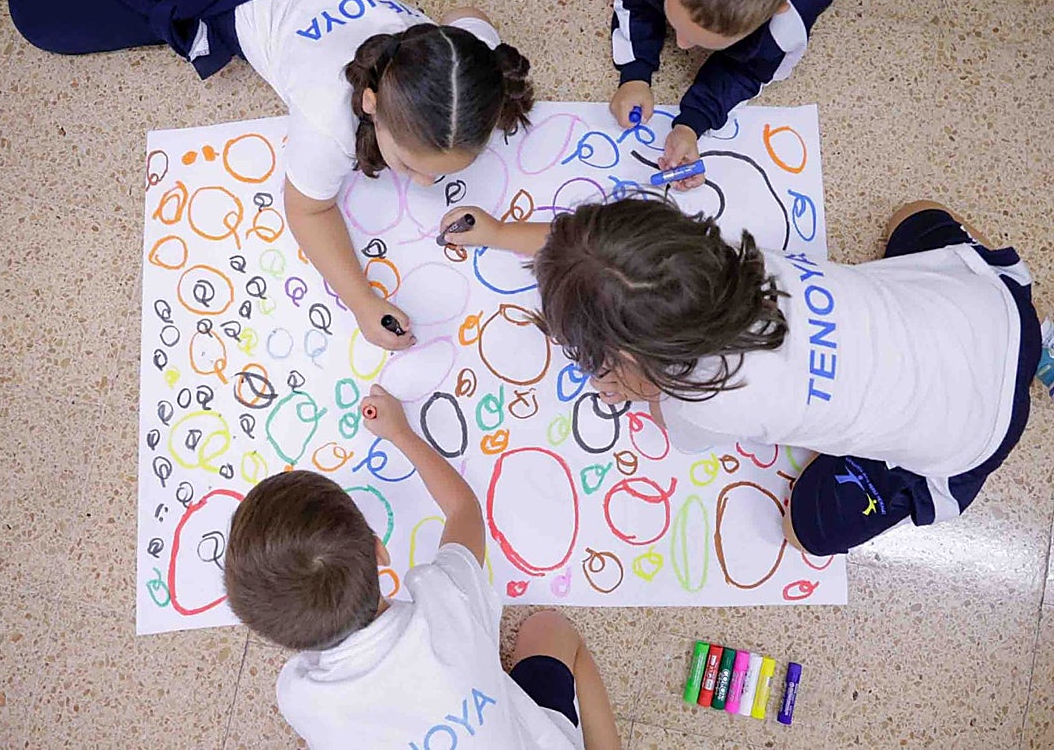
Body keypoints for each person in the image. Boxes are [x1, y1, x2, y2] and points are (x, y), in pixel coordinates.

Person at [8, 0, 534, 350]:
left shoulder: (456, 56)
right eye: (413, 166)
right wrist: (362, 300)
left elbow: (471, 16)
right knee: (39, 13)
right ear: (369, 103)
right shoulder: (331, 114)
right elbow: (308, 209)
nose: (425, 185)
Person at [436, 199, 1040, 556]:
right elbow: (596, 257)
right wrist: (494, 233)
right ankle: (1037, 342)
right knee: (916, 217)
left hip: (971, 441)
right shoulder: (714, 254)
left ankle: (915, 474)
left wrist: (630, 388)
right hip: (998, 311)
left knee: (808, 531)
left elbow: (664, 415)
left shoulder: (706, 404)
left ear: (642, 363)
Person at [223, 385, 621, 749]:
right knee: (549, 628)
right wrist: (401, 434)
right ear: (380, 551)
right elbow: (463, 510)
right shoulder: (447, 601)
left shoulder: (298, 697)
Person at [606, 0, 882, 190]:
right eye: (678, 26)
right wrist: (635, 72)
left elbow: (747, 72)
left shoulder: (791, 22)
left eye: (700, 39)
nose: (680, 44)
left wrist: (693, 121)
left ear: (777, 11)